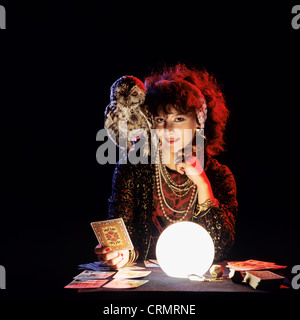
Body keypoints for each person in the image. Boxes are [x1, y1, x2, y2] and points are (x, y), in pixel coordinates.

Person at [95, 64, 238, 269]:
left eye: (179, 118)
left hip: (198, 286)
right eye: (160, 119)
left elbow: (221, 248)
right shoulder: (132, 168)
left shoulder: (219, 176)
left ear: (199, 122)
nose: (169, 129)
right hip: (144, 286)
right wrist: (119, 254)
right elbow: (122, 240)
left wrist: (202, 184)